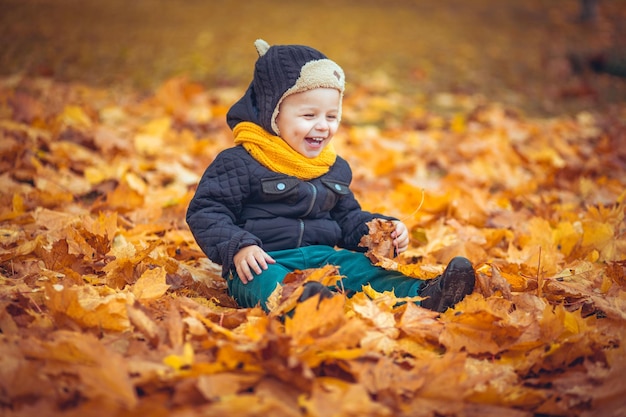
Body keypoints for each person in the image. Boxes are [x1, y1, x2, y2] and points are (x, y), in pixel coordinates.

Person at [186, 39, 475, 313]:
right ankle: (301, 306)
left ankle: (426, 295)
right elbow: (207, 211)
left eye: (331, 116)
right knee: (265, 283)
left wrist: (379, 230)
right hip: (266, 260)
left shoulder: (332, 167)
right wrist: (239, 246)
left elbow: (347, 218)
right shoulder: (240, 162)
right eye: (309, 116)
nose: (323, 126)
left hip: (324, 259)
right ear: (272, 116)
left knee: (361, 270)